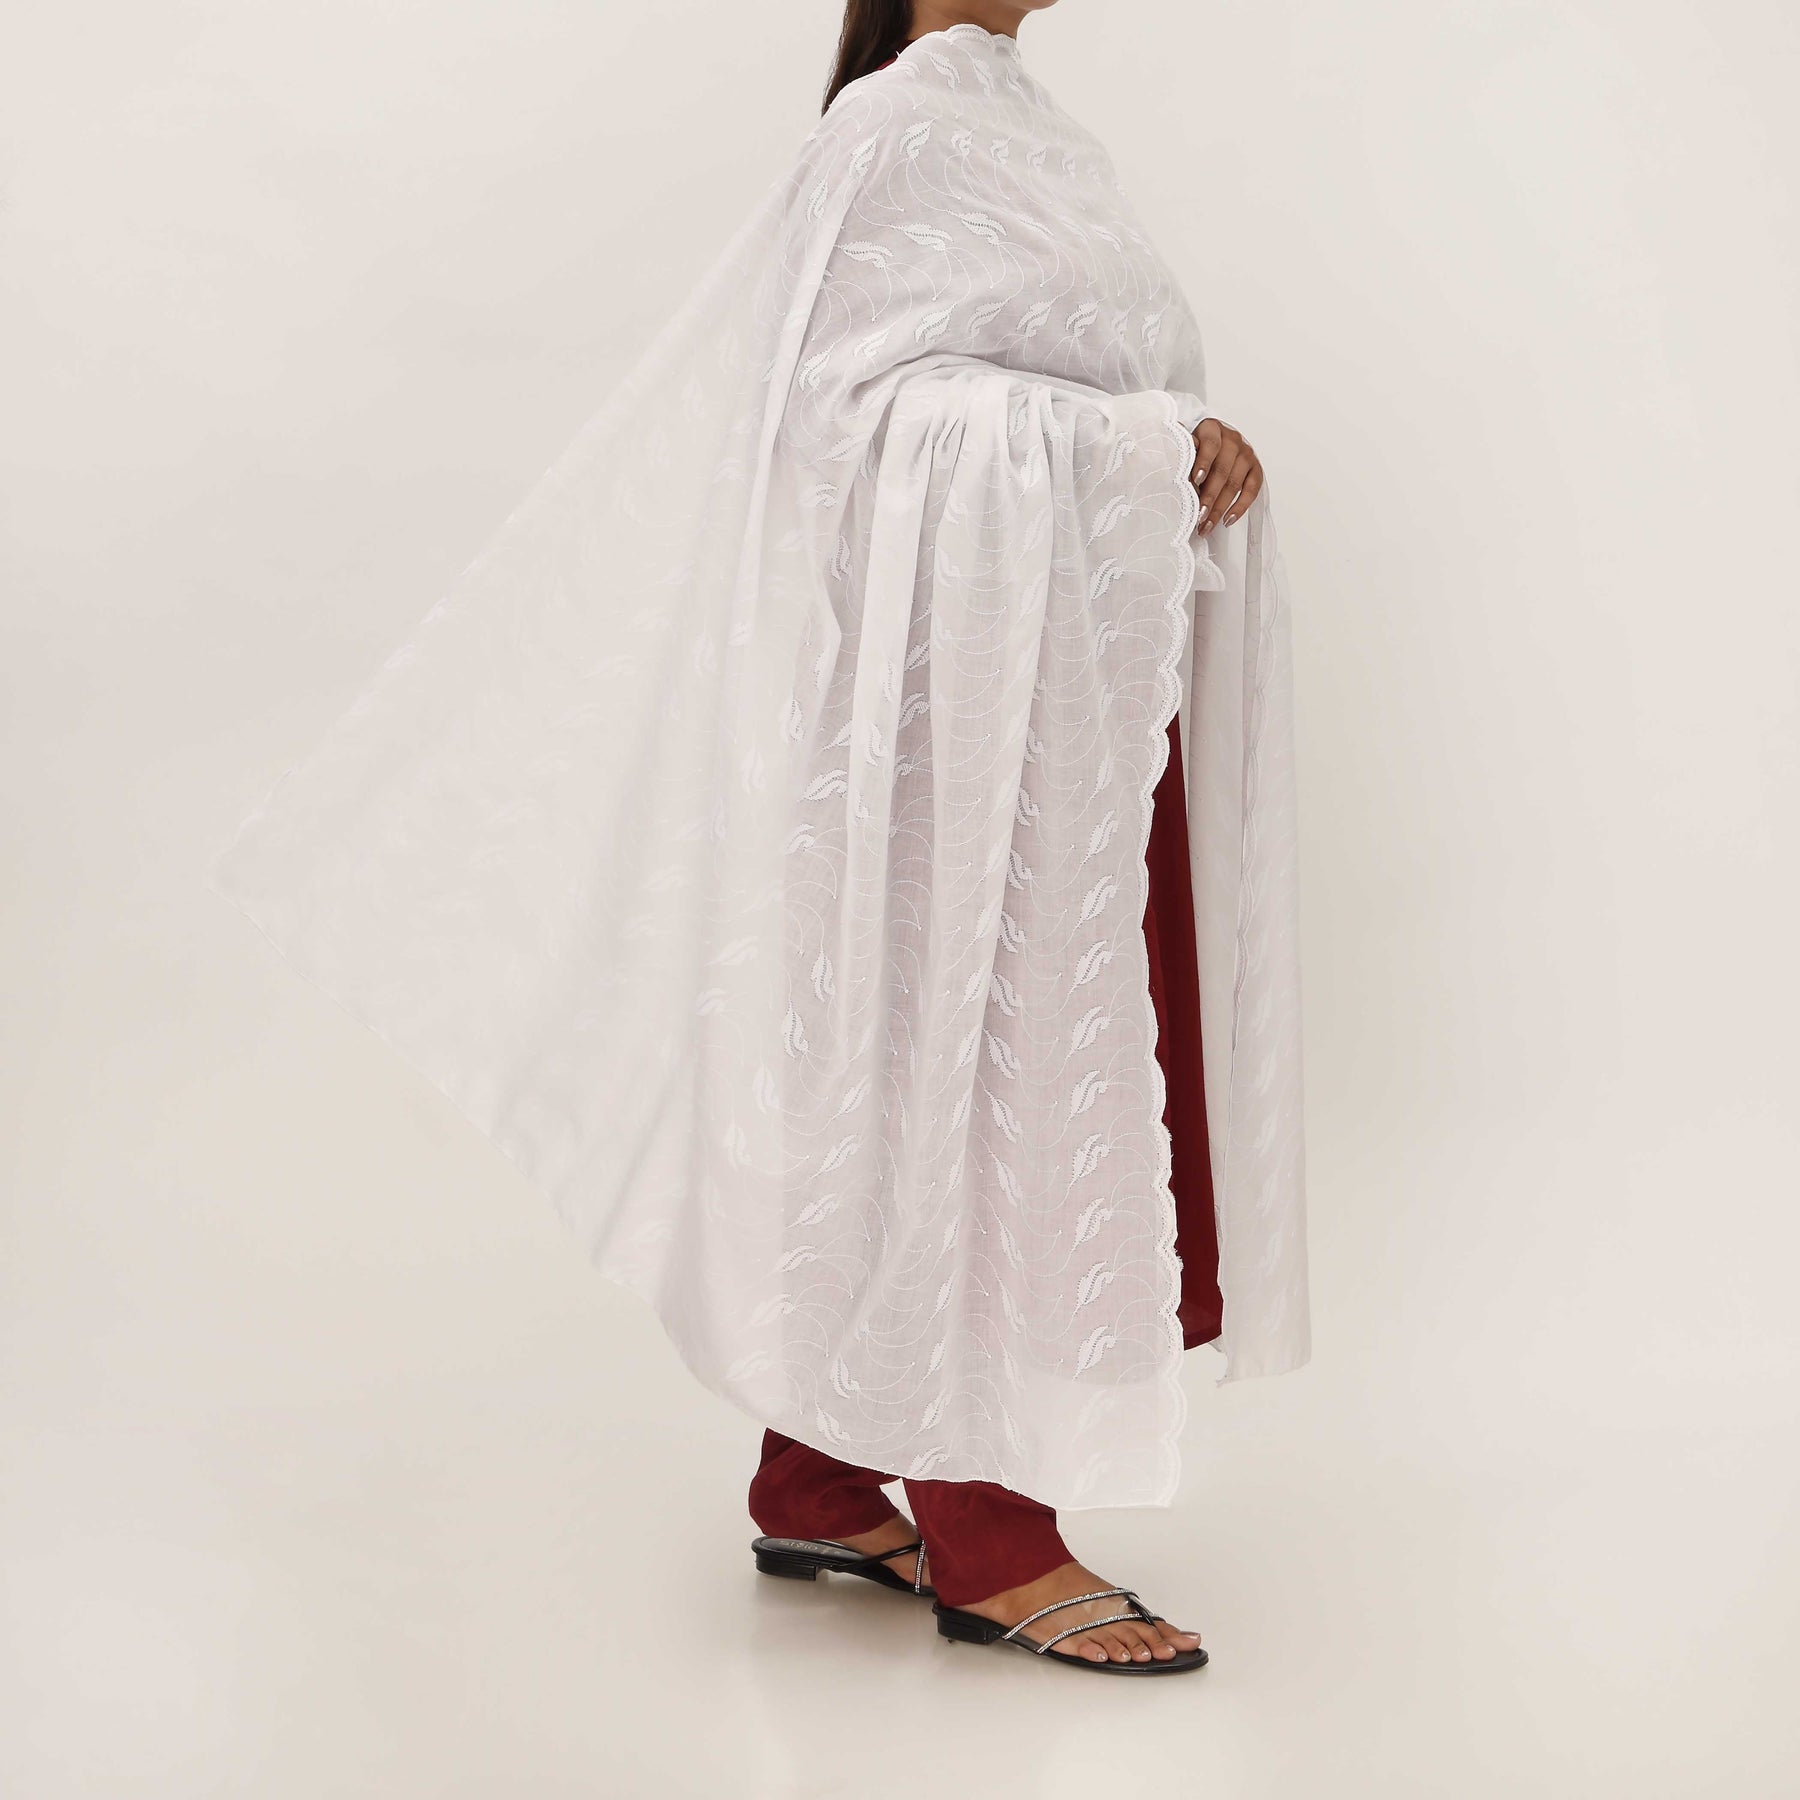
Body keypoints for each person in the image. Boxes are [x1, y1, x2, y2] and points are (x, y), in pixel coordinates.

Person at [211, 0, 1307, 1677]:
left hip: (1066, 709)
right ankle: (988, 1522)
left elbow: (1035, 391)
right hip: (951, 729)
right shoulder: (894, 135)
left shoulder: (1029, 132)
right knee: (971, 1073)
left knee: (954, 1067)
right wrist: (1136, 443)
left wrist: (1169, 450)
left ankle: (819, 1476)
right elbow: (850, 423)